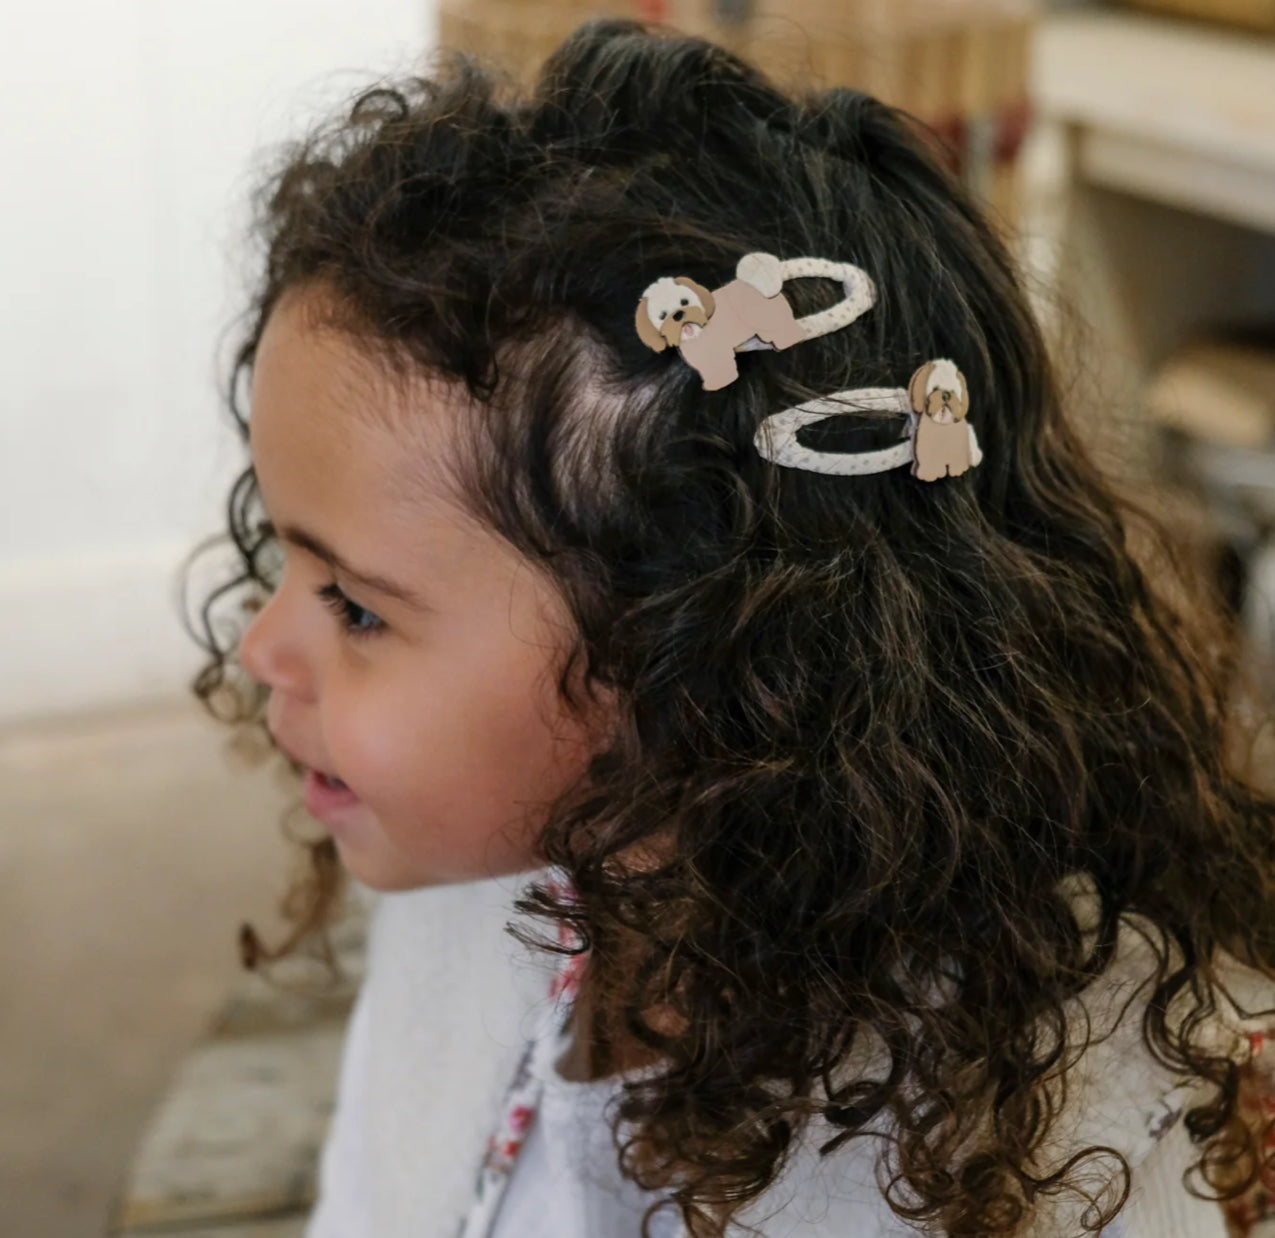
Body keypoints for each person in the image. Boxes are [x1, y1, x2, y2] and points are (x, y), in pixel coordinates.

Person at [184, 18, 1275, 1238]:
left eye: (355, 606)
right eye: (283, 554)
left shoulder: (1040, 1150)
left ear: (689, 649)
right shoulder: (475, 896)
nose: (260, 646)